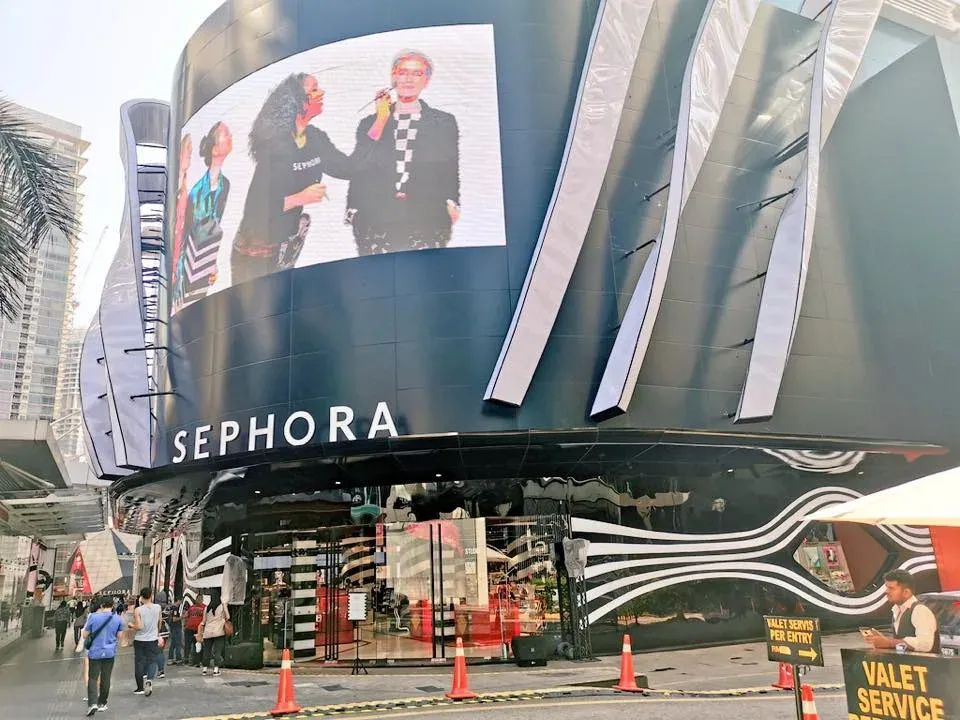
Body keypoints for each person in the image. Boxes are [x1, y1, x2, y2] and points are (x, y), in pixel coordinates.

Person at [231, 73, 389, 283]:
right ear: (296, 101)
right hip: (253, 255)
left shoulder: (316, 139)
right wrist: (299, 198)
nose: (321, 93)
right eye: (314, 90)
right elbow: (256, 208)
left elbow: (350, 168)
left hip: (284, 248)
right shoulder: (275, 145)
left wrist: (380, 119)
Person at [346, 50, 461, 255]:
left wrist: (452, 202)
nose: (408, 79)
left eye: (417, 74)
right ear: (393, 76)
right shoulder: (369, 123)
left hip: (426, 214)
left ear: (426, 80)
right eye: (403, 72)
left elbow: (449, 165)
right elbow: (359, 165)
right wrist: (353, 209)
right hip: (376, 216)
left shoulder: (443, 122)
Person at [174, 122, 233, 310]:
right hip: (188, 271)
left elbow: (214, 229)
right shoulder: (196, 192)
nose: (231, 136)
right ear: (214, 149)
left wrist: (211, 264)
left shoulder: (226, 185)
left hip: (203, 266)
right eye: (226, 134)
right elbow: (191, 234)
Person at [864, 570, 940, 653]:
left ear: (906, 592)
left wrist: (888, 643)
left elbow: (925, 645)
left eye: (891, 588)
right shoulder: (897, 610)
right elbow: (900, 645)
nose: (887, 591)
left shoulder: (920, 610)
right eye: (887, 587)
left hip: (928, 665)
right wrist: (884, 641)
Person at [81, 595, 126, 716]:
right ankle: (102, 703)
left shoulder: (93, 617)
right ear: (112, 606)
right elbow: (120, 636)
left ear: (101, 606)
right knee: (106, 678)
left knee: (93, 677)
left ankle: (92, 703)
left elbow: (85, 635)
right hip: (109, 653)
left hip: (95, 653)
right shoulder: (118, 619)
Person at [129, 587, 162, 697]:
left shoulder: (138, 610)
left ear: (141, 597)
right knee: (152, 661)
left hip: (140, 640)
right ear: (151, 595)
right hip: (152, 639)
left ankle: (140, 688)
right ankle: (149, 680)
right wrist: (157, 634)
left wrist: (131, 625)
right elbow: (159, 623)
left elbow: (139, 626)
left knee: (139, 662)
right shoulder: (158, 607)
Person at [197, 591, 230, 676]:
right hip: (218, 632)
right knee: (217, 650)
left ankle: (204, 669)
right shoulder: (222, 606)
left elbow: (204, 621)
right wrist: (225, 606)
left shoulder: (206, 608)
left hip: (208, 632)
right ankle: (216, 669)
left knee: (207, 651)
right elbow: (228, 617)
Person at [183, 596, 205, 667]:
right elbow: (186, 616)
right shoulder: (191, 607)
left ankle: (197, 661)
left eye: (200, 599)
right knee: (188, 645)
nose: (199, 600)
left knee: (198, 645)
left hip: (198, 629)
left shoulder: (204, 607)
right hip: (189, 628)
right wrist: (185, 625)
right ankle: (187, 659)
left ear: (202, 600)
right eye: (197, 599)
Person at [167, 599, 184, 665]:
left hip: (172, 627)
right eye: (181, 601)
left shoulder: (171, 608)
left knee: (173, 643)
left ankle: (170, 658)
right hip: (176, 627)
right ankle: (178, 659)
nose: (181, 603)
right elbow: (174, 619)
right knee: (178, 643)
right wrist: (182, 617)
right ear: (178, 601)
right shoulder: (175, 609)